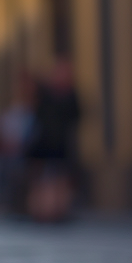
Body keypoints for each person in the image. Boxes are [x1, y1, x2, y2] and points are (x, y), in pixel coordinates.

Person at [27, 60, 80, 222]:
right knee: (44, 180)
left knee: (61, 179)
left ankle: (58, 211)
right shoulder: (47, 96)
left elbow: (76, 116)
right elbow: (39, 119)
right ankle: (44, 211)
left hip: (62, 145)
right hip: (45, 145)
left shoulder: (70, 95)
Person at [0, 74, 35, 215]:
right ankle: (3, 202)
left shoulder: (33, 112)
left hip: (27, 154)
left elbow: (32, 137)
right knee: (1, 164)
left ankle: (19, 205)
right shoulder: (12, 111)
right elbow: (3, 135)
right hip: (10, 153)